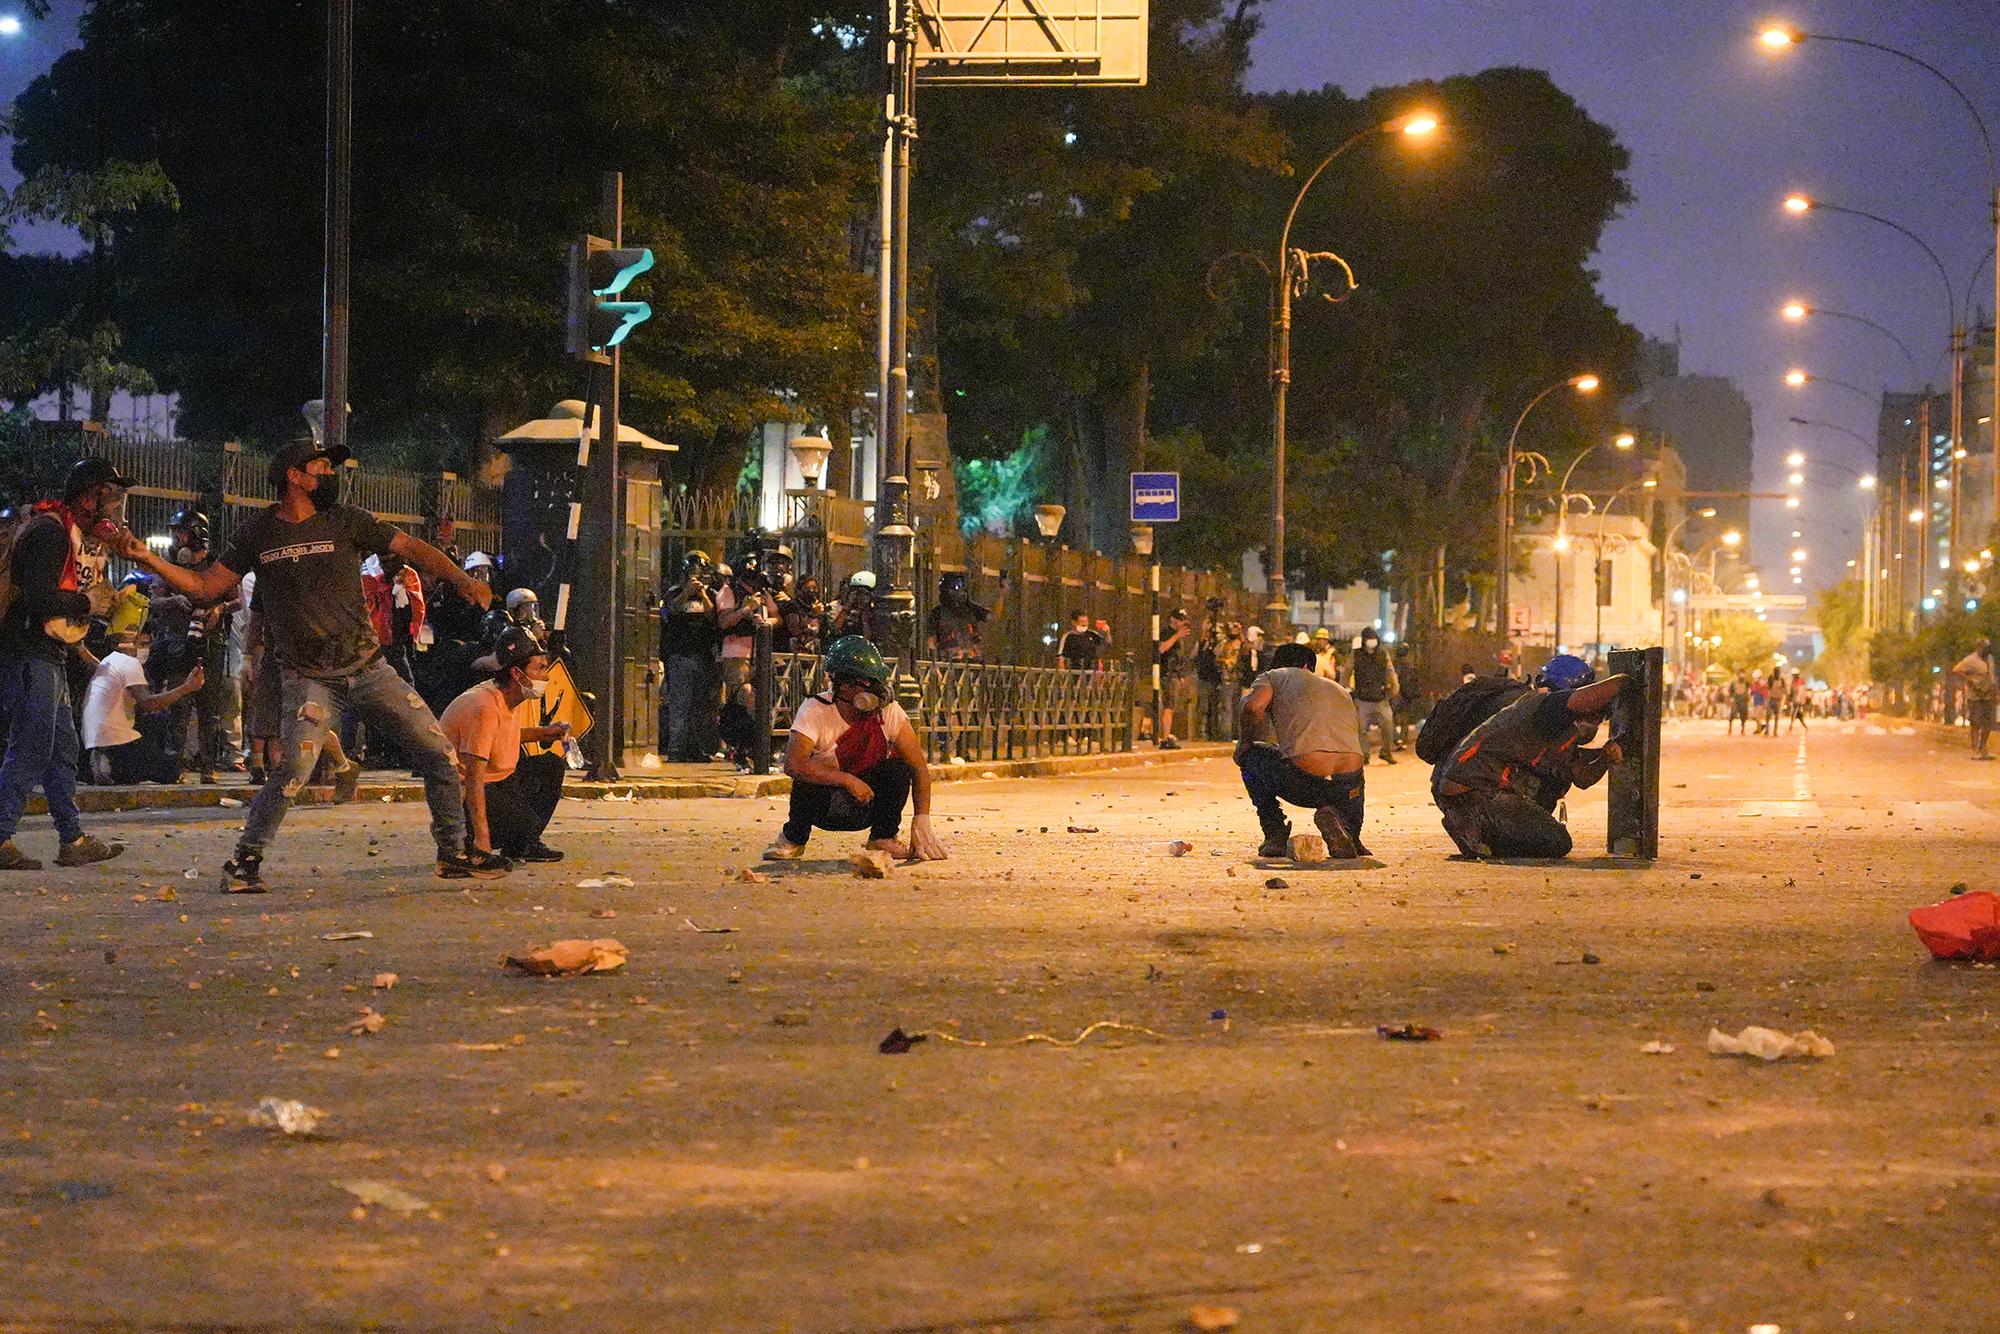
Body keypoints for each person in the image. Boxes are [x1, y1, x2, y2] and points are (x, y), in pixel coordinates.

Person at [123, 436, 505, 890]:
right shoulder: (258, 532)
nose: (330, 474)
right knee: (292, 772)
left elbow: (413, 548)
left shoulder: (346, 521)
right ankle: (244, 862)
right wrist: (148, 559)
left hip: (369, 668)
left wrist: (462, 580)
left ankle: (453, 851)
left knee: (439, 753)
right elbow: (206, 587)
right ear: (294, 476)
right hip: (309, 678)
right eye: (321, 466)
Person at [0, 457, 130, 870]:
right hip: (27, 652)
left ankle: (72, 839)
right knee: (32, 746)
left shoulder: (67, 534)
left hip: (46, 655)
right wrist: (85, 603)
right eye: (109, 497)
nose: (114, 508)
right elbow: (38, 599)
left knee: (60, 750)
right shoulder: (51, 533)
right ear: (88, 497)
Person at [763, 635, 946, 862]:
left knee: (897, 769)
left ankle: (883, 837)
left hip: (867, 804)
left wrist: (922, 819)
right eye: (867, 683)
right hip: (825, 806)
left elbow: (918, 768)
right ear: (845, 685)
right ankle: (794, 839)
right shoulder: (815, 710)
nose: (876, 690)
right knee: (806, 776)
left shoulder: (888, 712)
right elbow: (794, 764)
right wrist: (846, 780)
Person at [1431, 654, 1627, 860]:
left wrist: (1606, 756)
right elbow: (1592, 698)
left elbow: (1581, 776)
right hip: (1473, 788)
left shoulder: (1559, 729)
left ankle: (1480, 833)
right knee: (1556, 841)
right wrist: (1628, 679)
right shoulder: (1545, 707)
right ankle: (1475, 829)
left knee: (1547, 807)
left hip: (1475, 788)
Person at [441, 626, 570, 864]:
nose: (547, 676)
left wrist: (546, 733)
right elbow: (473, 777)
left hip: (498, 781)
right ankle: (469, 843)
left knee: (550, 765)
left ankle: (522, 845)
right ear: (517, 674)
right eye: (540, 668)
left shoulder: (508, 696)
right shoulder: (485, 706)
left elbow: (503, 735)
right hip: (460, 799)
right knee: (526, 823)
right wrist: (483, 842)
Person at [1234, 641, 1368, 860]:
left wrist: (1245, 742)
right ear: (1308, 665)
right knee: (1353, 766)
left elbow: (1252, 707)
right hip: (1347, 788)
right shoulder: (1339, 689)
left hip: (1304, 783)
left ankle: (1274, 833)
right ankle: (1350, 831)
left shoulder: (1274, 676)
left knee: (1251, 756)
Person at [81, 630, 203, 784]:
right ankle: (109, 764)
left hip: (95, 736)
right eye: (142, 644)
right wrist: (186, 688)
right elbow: (148, 703)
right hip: (111, 739)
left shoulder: (108, 662)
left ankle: (108, 765)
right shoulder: (128, 663)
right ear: (126, 647)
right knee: (168, 768)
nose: (146, 649)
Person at [660, 551, 721, 763]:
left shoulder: (711, 594)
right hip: (680, 655)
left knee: (701, 706)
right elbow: (671, 611)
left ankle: (696, 748)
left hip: (704, 655)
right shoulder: (674, 592)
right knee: (680, 704)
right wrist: (686, 592)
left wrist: (702, 594)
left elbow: (714, 616)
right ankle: (676, 749)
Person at [1347, 627, 1400, 765]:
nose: (1372, 642)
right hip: (1362, 699)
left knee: (1388, 726)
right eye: (1369, 639)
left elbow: (1390, 671)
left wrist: (1394, 688)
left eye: (1374, 639)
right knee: (1361, 730)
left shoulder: (1383, 654)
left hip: (1381, 699)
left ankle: (1386, 752)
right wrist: (1344, 690)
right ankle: (1364, 755)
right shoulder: (1356, 655)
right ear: (1364, 641)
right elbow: (1347, 670)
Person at [930, 570, 1001, 662]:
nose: (961, 593)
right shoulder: (938, 613)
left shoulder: (970, 608)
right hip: (949, 662)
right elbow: (932, 642)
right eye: (957, 588)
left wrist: (1002, 595)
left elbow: (993, 617)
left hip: (972, 661)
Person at [1953, 638, 1997, 759]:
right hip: (1975, 696)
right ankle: (1976, 749)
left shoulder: (1990, 659)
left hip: (1988, 694)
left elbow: (1992, 676)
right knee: (1976, 723)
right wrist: (1970, 680)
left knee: (1988, 723)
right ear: (1978, 647)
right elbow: (1957, 670)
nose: (1985, 650)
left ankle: (1983, 747)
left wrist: (1995, 692)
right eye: (1983, 647)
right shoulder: (1971, 660)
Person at [1154, 608, 1192, 749]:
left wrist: (1181, 675)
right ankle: (1164, 738)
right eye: (1181, 620)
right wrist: (1177, 636)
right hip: (1167, 674)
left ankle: (1166, 734)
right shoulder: (1167, 633)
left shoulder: (1179, 636)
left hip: (1175, 674)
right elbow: (1161, 649)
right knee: (1168, 706)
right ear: (1173, 619)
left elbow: (1178, 657)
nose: (1183, 623)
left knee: (1171, 706)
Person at [1726, 670, 1751, 736]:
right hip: (1736, 700)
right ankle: (1730, 728)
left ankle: (1743, 730)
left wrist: (1748, 697)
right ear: (1738, 675)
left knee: (1744, 715)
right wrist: (1731, 698)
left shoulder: (1747, 683)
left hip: (1743, 700)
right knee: (1733, 714)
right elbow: (1731, 692)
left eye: (1743, 674)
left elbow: (1748, 691)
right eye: (1741, 674)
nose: (1742, 676)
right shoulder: (1734, 683)